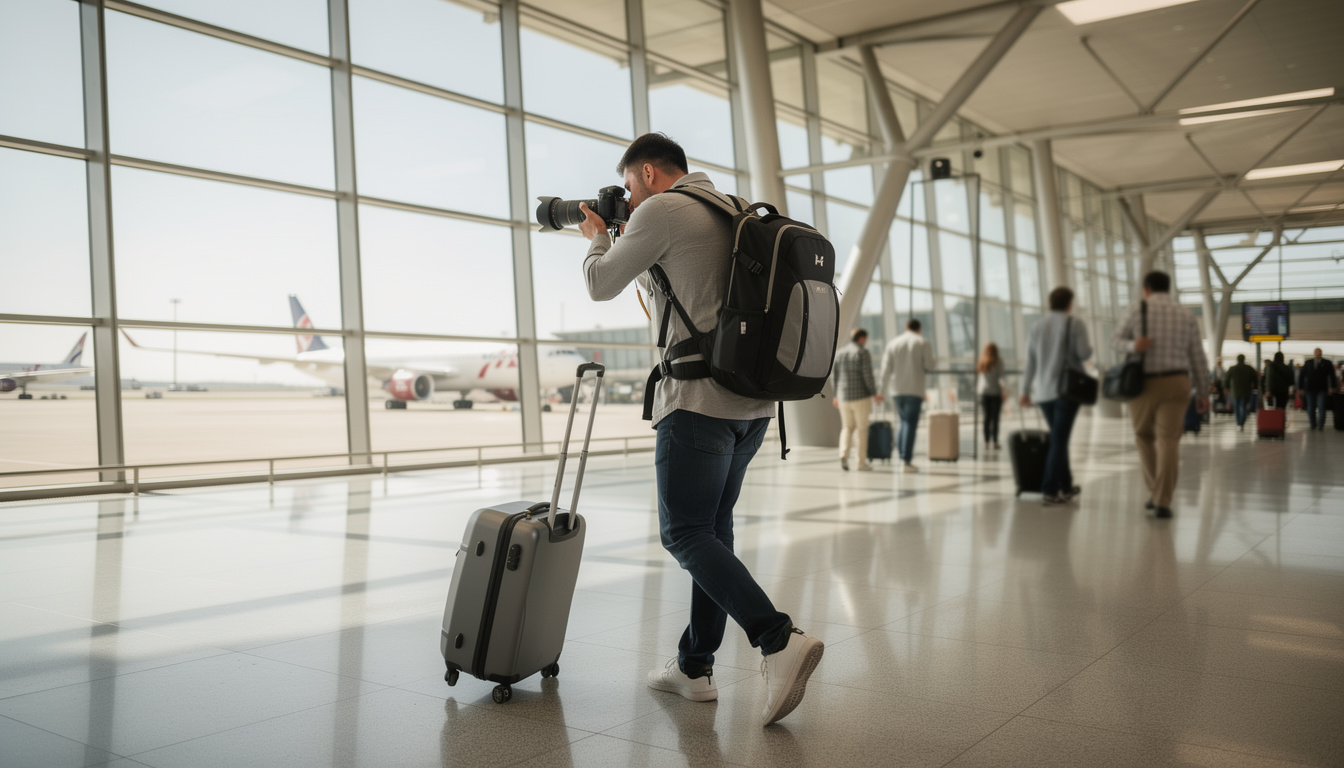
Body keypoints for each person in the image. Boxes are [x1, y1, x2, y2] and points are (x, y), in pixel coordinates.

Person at [575, 133, 822, 727]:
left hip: (697, 402)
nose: (629, 199)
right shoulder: (731, 210)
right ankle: (694, 667)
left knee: (684, 533)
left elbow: (600, 284)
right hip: (753, 408)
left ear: (652, 174)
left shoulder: (662, 209)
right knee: (713, 530)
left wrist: (597, 241)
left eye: (631, 186)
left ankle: (776, 639)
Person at [1112, 271, 1209, 520]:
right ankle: (1162, 499)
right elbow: (1198, 356)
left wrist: (1134, 346)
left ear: (1146, 289)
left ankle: (1155, 491)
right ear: (1169, 288)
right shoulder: (1186, 315)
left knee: (1143, 436)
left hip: (1142, 384)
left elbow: (1114, 340)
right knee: (1169, 441)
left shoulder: (1136, 309)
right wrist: (1204, 391)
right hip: (1178, 383)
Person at [1020, 287, 1091, 506]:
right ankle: (1050, 489)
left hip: (1043, 392)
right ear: (1069, 303)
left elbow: (1030, 361)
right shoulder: (1075, 323)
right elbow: (1084, 353)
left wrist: (1024, 390)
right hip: (1066, 391)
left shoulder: (1037, 326)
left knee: (1059, 439)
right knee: (1059, 440)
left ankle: (1066, 486)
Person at [879, 318, 936, 472]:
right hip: (914, 389)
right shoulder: (922, 342)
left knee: (903, 423)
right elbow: (929, 365)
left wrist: (881, 390)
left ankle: (901, 458)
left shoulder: (893, 343)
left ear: (906, 327)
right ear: (919, 328)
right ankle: (906, 460)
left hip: (896, 390)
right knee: (910, 424)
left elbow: (885, 368)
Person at [831, 328, 882, 471]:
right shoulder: (862, 353)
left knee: (847, 427)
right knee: (862, 429)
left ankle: (843, 454)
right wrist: (874, 393)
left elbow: (834, 376)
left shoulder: (840, 353)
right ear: (861, 338)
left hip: (843, 398)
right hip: (860, 397)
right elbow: (867, 376)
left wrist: (836, 395)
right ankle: (861, 463)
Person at [1298, 348, 1338, 431]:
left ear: (1321, 353)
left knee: (1321, 406)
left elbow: (1332, 376)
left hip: (1322, 389)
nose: (1318, 354)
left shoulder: (1327, 363)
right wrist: (1300, 388)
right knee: (1310, 407)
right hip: (1309, 389)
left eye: (1319, 352)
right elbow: (1301, 376)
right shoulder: (1308, 363)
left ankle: (1320, 425)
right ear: (1314, 353)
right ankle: (1313, 424)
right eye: (1316, 352)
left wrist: (1332, 387)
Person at [976, 342, 1006, 451]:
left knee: (986, 418)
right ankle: (995, 441)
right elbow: (1001, 378)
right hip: (995, 393)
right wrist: (1004, 390)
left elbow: (980, 378)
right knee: (995, 418)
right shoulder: (998, 362)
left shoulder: (982, 361)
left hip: (983, 393)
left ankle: (986, 442)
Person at [1223, 353, 1258, 431]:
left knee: (1237, 407)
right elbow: (1255, 379)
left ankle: (1239, 423)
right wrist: (1255, 386)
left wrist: (1226, 387)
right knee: (1243, 407)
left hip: (1235, 392)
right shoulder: (1249, 368)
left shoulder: (1232, 368)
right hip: (1246, 391)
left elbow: (1227, 380)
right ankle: (1241, 423)